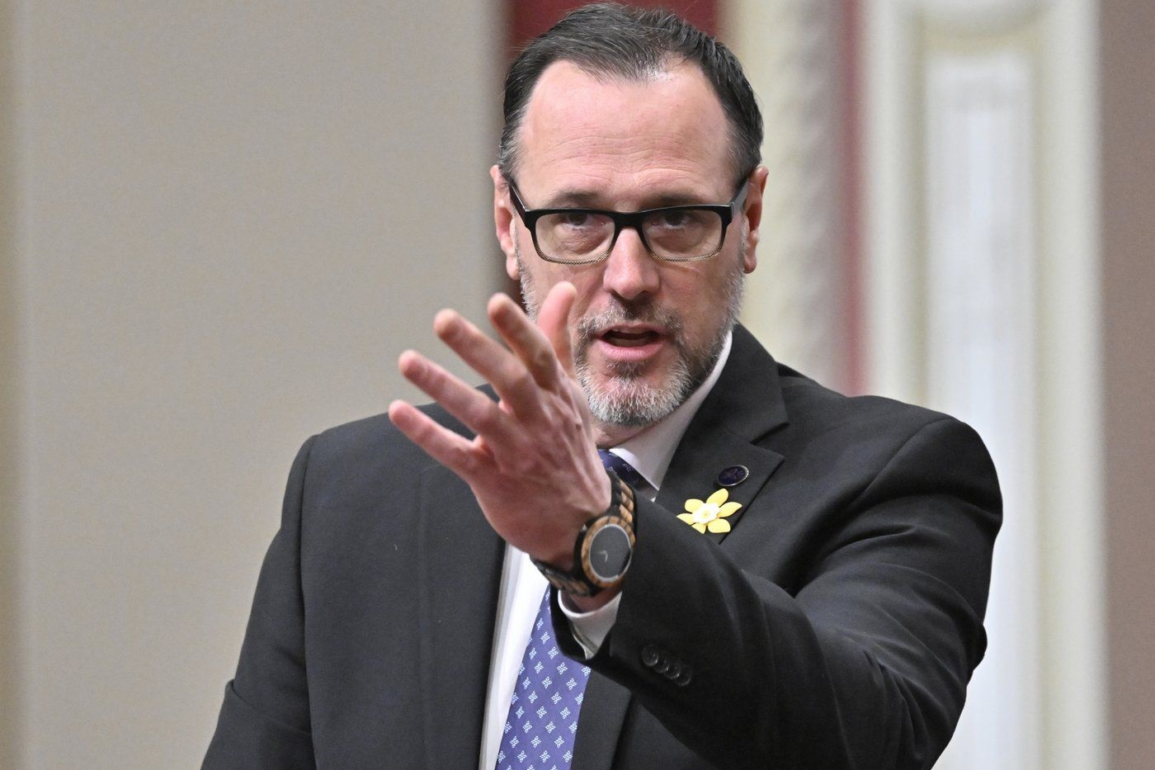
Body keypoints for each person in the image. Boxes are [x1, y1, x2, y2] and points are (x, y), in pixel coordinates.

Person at [202, 4, 1000, 769]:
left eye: (675, 218)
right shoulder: (351, 494)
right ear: (508, 224)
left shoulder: (892, 475)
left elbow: (867, 741)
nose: (627, 277)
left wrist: (597, 542)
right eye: (577, 220)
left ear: (749, 220)